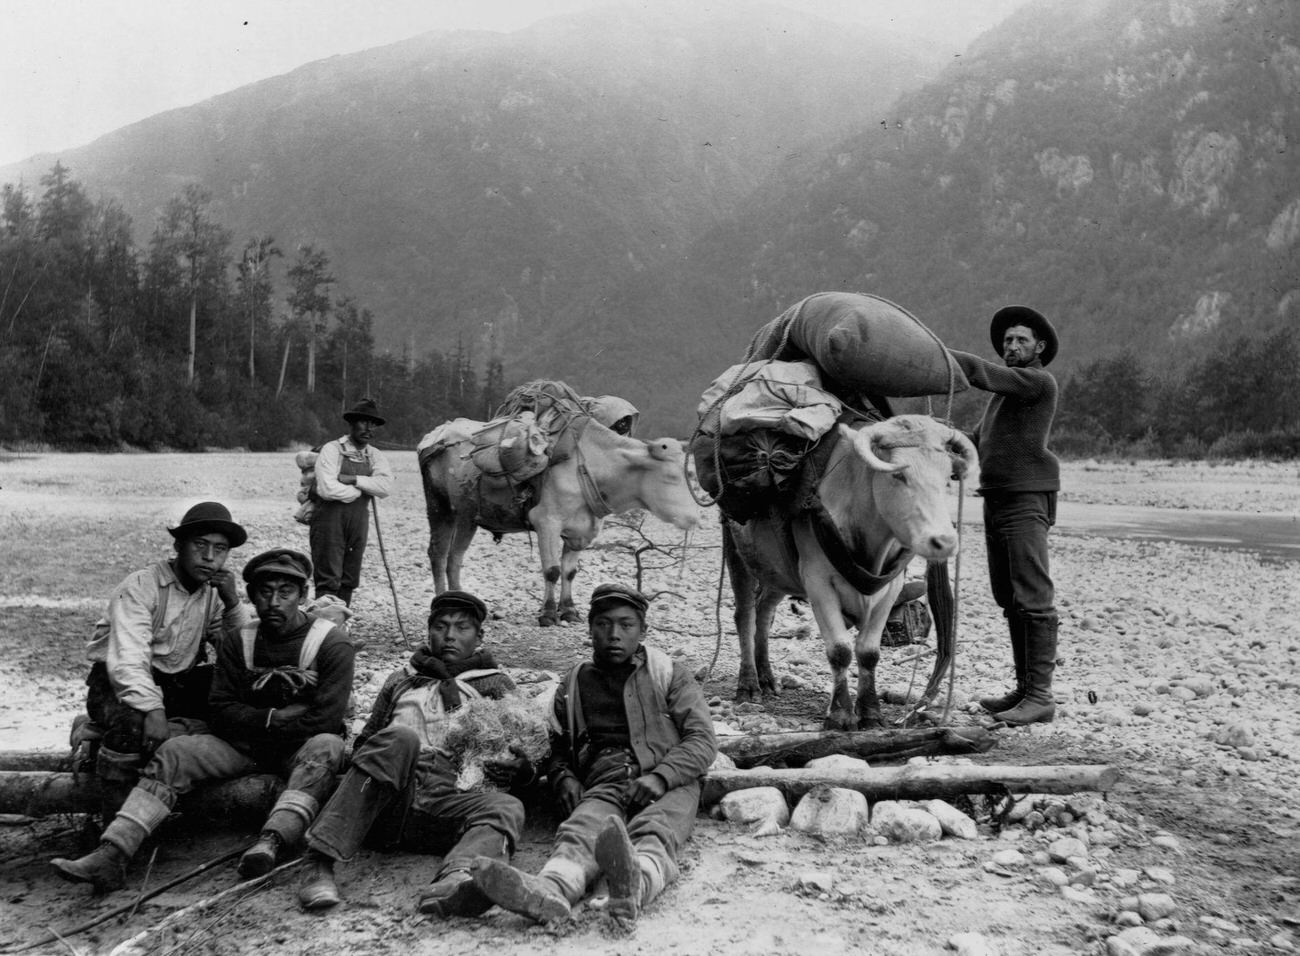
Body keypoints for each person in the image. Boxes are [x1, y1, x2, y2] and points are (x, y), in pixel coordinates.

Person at [52, 549, 355, 892]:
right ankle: (113, 853)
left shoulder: (331, 643)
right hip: (243, 747)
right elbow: (221, 710)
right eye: (264, 592)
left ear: (303, 596)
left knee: (327, 746)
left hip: (297, 749)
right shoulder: (240, 640)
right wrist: (272, 717)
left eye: (285, 593)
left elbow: (326, 719)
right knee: (177, 752)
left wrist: (252, 718)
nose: (274, 602)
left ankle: (271, 841)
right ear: (251, 596)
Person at [471, 583, 717, 926]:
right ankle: (550, 891)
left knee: (658, 828)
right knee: (582, 827)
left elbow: (703, 740)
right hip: (604, 780)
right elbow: (555, 748)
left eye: (626, 625)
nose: (614, 634)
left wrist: (661, 777)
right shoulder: (573, 684)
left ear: (643, 631)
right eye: (603, 624)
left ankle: (634, 887)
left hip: (671, 778)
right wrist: (563, 777)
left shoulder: (669, 674)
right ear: (590, 629)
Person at [298, 590, 533, 917]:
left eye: (462, 628)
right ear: (429, 630)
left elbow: (527, 745)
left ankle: (458, 878)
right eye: (440, 626)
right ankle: (319, 861)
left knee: (506, 806)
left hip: (447, 802)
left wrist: (521, 769)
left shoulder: (495, 684)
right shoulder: (401, 681)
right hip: (387, 799)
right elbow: (365, 743)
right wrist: (394, 756)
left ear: (479, 636)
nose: (449, 636)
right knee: (400, 738)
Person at [77, 501, 249, 814]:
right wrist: (152, 709)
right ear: (178, 545)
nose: (210, 557)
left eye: (220, 549)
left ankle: (184, 776)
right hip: (117, 684)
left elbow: (239, 654)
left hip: (175, 682)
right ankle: (110, 814)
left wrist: (233, 603)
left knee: (238, 700)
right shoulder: (142, 586)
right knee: (133, 725)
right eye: (200, 545)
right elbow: (128, 659)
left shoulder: (210, 592)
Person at [949, 305, 1061, 726]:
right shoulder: (1003, 396)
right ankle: (1024, 689)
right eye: (1008, 341)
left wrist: (935, 357)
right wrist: (941, 436)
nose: (1012, 346)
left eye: (1021, 341)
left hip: (1027, 499)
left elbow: (981, 371)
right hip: (996, 499)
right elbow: (977, 439)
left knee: (1033, 595)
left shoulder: (1036, 382)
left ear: (1039, 347)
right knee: (1009, 598)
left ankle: (1040, 696)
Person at [309, 397, 395, 606]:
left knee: (350, 577)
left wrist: (355, 479)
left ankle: (341, 628)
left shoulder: (374, 455)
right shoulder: (332, 449)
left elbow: (385, 487)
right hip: (329, 519)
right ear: (352, 423)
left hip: (358, 521)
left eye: (373, 424)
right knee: (328, 576)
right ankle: (324, 631)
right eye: (363, 422)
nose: (368, 428)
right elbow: (327, 489)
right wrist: (359, 490)